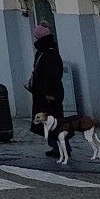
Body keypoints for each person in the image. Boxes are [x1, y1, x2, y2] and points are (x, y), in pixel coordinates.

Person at [28, 21, 66, 156]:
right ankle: (56, 147)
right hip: (42, 94)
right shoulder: (42, 52)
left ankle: (60, 148)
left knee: (53, 122)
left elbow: (54, 75)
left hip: (49, 96)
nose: (35, 40)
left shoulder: (49, 53)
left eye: (36, 38)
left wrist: (50, 93)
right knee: (46, 122)